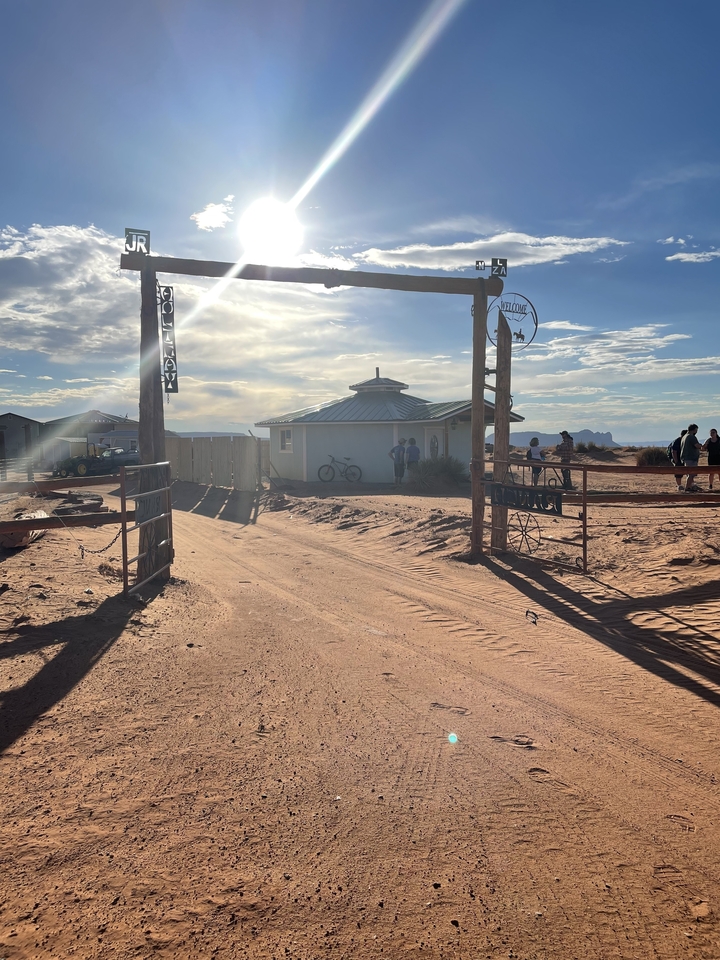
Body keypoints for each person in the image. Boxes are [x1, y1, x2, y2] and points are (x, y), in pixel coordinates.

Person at [680, 423, 702, 492]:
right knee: (691, 474)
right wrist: (702, 446)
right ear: (694, 429)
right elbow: (697, 446)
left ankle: (691, 486)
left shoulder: (684, 437)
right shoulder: (691, 437)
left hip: (686, 457)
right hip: (691, 458)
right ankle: (687, 488)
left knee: (689, 473)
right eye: (696, 430)